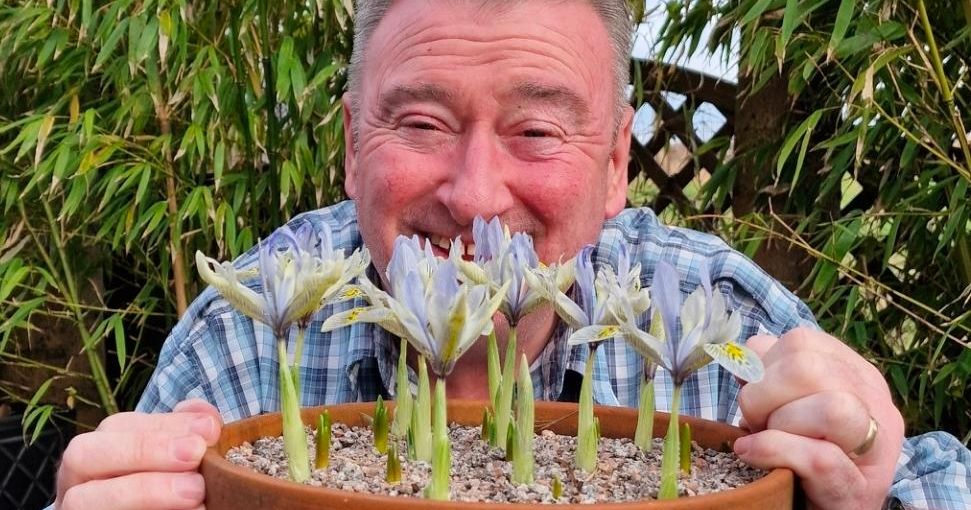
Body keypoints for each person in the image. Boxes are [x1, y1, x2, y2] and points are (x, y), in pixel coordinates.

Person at [52, 1, 971, 509]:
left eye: (535, 129)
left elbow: (929, 481)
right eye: (419, 122)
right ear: (349, 147)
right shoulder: (249, 334)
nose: (474, 195)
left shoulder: (712, 313)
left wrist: (871, 480)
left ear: (616, 165)